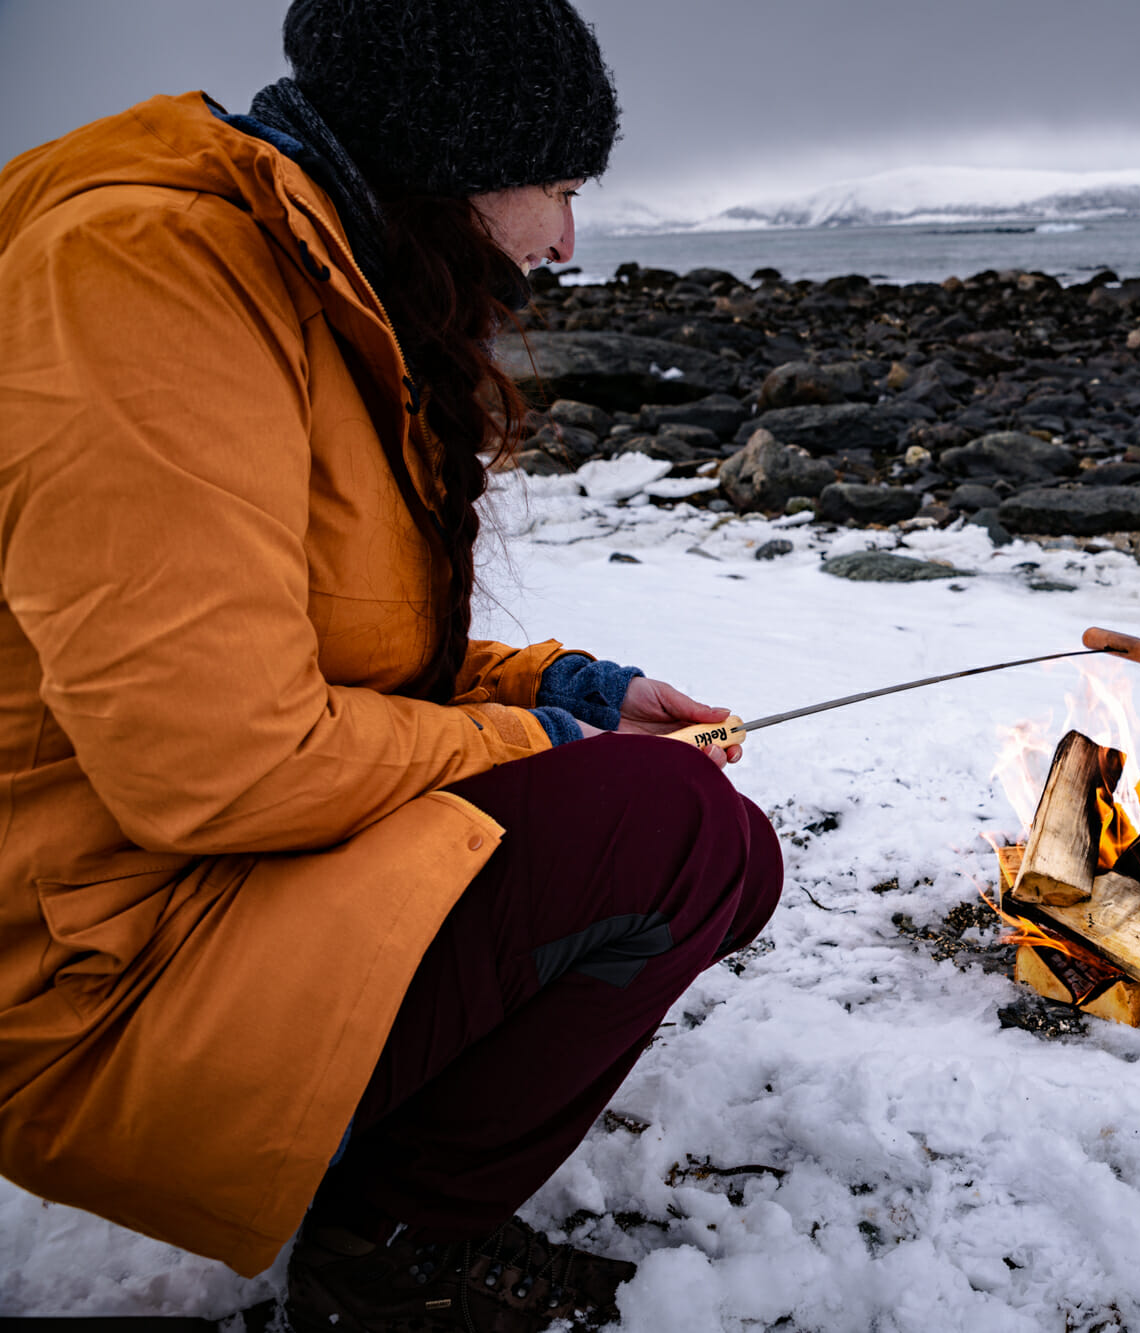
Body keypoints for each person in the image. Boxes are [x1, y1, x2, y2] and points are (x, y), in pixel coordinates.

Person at [0, 2, 784, 1329]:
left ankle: (386, 1173)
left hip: (207, 891)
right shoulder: (147, 276)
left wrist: (567, 687)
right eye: (558, 190)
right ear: (461, 159)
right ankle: (392, 1252)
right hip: (99, 973)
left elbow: (310, 642)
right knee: (673, 832)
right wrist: (547, 749)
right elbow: (224, 762)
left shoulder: (318, 281)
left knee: (721, 856)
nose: (565, 244)